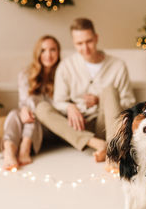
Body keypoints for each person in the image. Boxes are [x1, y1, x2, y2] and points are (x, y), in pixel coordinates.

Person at [35, 18, 136, 163]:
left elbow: (130, 102)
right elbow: (58, 102)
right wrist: (70, 107)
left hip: (106, 125)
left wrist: (101, 100)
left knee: (109, 90)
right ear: (73, 43)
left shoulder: (118, 66)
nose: (85, 48)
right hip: (78, 126)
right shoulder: (66, 66)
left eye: (89, 41)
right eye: (79, 44)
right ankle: (97, 144)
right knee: (41, 108)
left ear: (96, 38)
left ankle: (114, 151)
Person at [3, 35, 61, 170]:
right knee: (15, 113)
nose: (48, 55)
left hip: (50, 125)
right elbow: (24, 101)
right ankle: (9, 150)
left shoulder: (63, 74)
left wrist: (29, 109)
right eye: (43, 50)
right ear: (37, 53)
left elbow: (57, 107)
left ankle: (25, 147)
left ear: (58, 52)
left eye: (53, 50)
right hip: (31, 122)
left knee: (35, 109)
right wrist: (24, 109)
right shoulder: (26, 74)